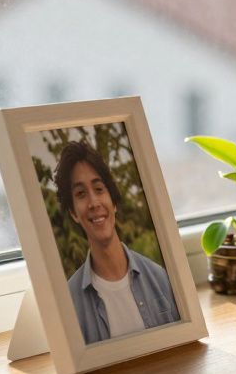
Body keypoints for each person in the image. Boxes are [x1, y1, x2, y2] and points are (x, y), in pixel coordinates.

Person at [56, 140, 180, 344]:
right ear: (73, 213)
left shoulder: (160, 278)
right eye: (80, 194)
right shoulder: (70, 302)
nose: (94, 203)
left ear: (113, 202)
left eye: (99, 189)